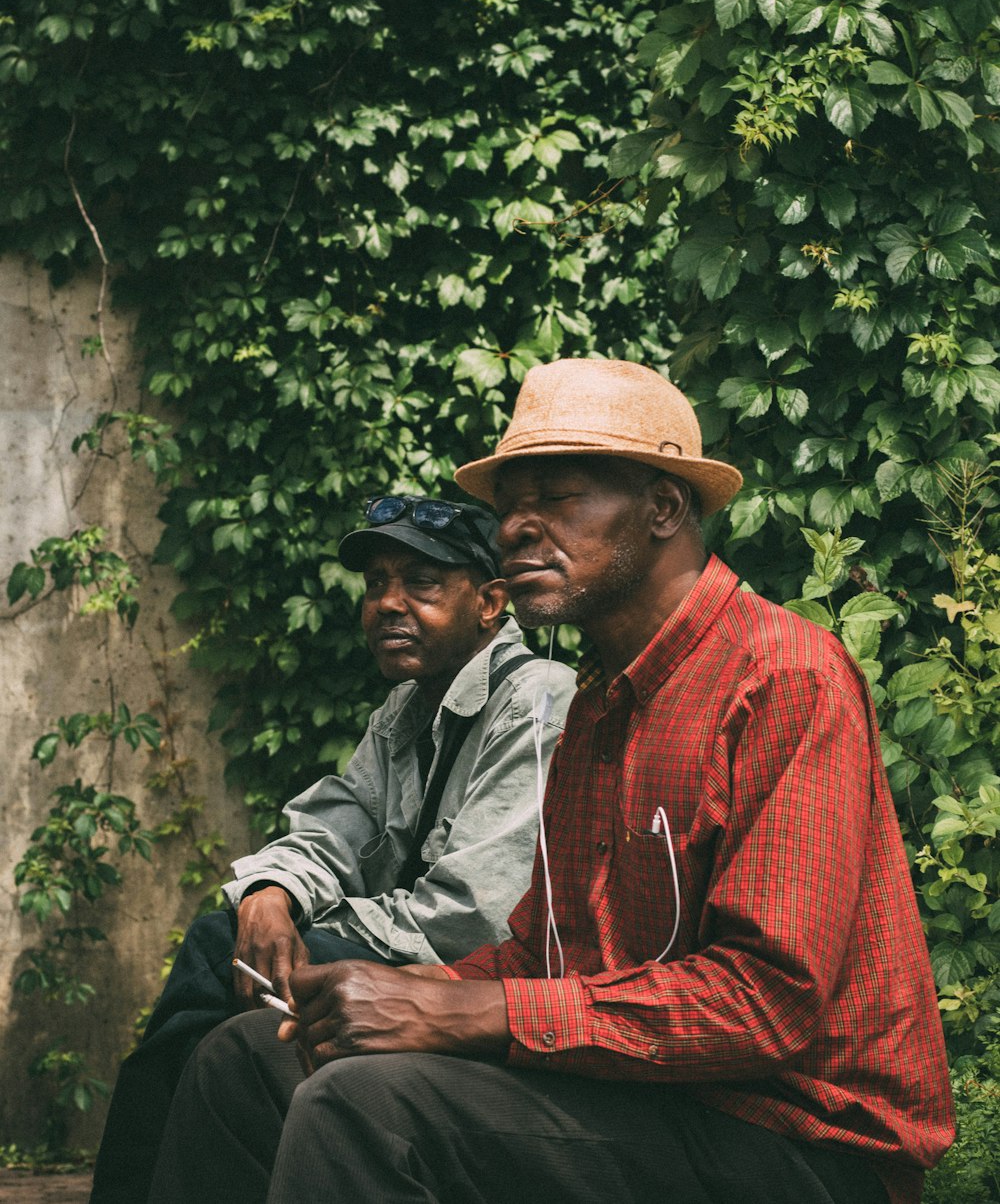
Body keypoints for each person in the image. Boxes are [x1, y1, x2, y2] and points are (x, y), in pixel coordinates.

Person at [146, 360, 956, 1204]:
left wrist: (466, 1015)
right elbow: (545, 951)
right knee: (248, 1055)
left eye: (559, 498)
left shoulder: (781, 675)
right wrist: (401, 989)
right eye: (510, 507)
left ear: (663, 508)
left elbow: (763, 1006)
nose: (517, 529)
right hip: (633, 1095)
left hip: (796, 1141)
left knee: (369, 1106)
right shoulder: (598, 702)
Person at [90, 493, 574, 1204]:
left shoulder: (537, 699)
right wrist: (271, 893)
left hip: (469, 976)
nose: (387, 603)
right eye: (376, 582)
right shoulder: (405, 710)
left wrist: (311, 928)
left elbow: (474, 915)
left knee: (220, 969)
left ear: (491, 601)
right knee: (226, 944)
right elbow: (333, 826)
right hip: (416, 946)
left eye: (422, 582)